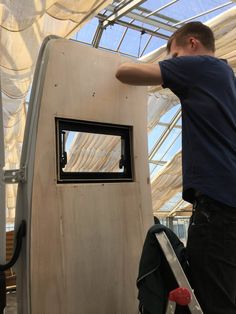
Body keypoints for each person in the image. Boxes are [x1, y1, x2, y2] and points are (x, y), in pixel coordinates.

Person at [116, 21, 236, 314]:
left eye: (175, 56)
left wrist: (166, 67)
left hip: (217, 206)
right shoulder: (226, 76)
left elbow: (125, 73)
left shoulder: (203, 66)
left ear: (193, 43)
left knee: (213, 300)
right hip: (228, 203)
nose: (173, 65)